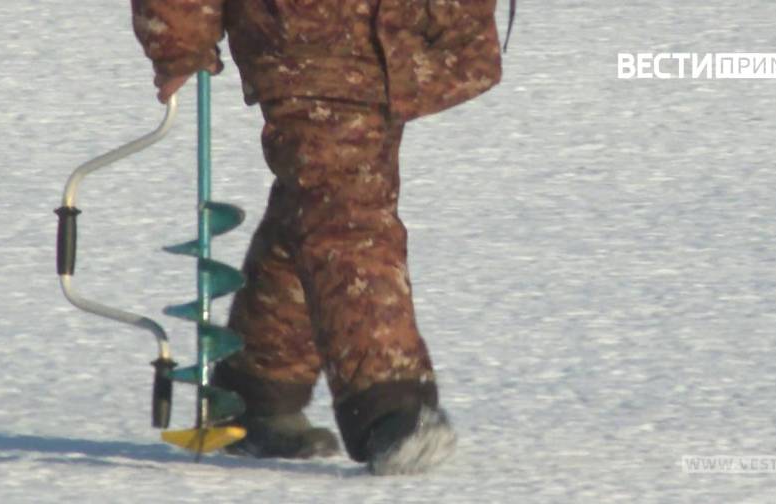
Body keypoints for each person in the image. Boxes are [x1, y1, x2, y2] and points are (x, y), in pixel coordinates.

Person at [131, 0, 502, 475]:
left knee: (319, 203)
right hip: (307, 39)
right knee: (345, 215)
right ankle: (389, 407)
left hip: (400, 34)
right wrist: (177, 38)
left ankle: (258, 390)